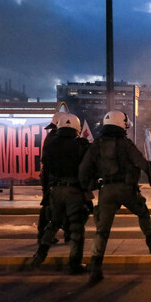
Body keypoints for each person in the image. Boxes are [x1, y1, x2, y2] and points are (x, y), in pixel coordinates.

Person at [79, 110, 151, 285]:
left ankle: (95, 267)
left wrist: (86, 189)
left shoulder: (96, 145)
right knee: (142, 212)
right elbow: (141, 163)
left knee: (102, 231)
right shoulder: (125, 143)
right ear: (121, 123)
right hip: (127, 189)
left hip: (106, 190)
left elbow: (84, 169)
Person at [31, 114, 91, 274]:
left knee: (53, 223)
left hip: (55, 189)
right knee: (77, 228)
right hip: (74, 190)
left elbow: (46, 169)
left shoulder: (50, 144)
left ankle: (40, 253)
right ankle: (75, 264)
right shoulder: (81, 145)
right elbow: (86, 169)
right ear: (76, 128)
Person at [36, 112, 70, 247]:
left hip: (50, 176)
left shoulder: (51, 137)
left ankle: (44, 235)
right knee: (51, 205)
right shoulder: (55, 139)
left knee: (50, 205)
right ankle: (45, 235)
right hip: (52, 177)